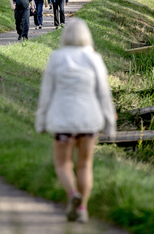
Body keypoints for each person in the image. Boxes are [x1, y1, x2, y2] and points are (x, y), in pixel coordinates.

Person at [35, 17, 116, 223]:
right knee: (85, 165)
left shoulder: (56, 58)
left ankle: (72, 194)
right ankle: (82, 209)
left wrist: (41, 121)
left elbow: (46, 94)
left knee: (63, 164)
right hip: (89, 121)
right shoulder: (94, 58)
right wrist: (109, 123)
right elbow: (103, 93)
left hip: (63, 120)